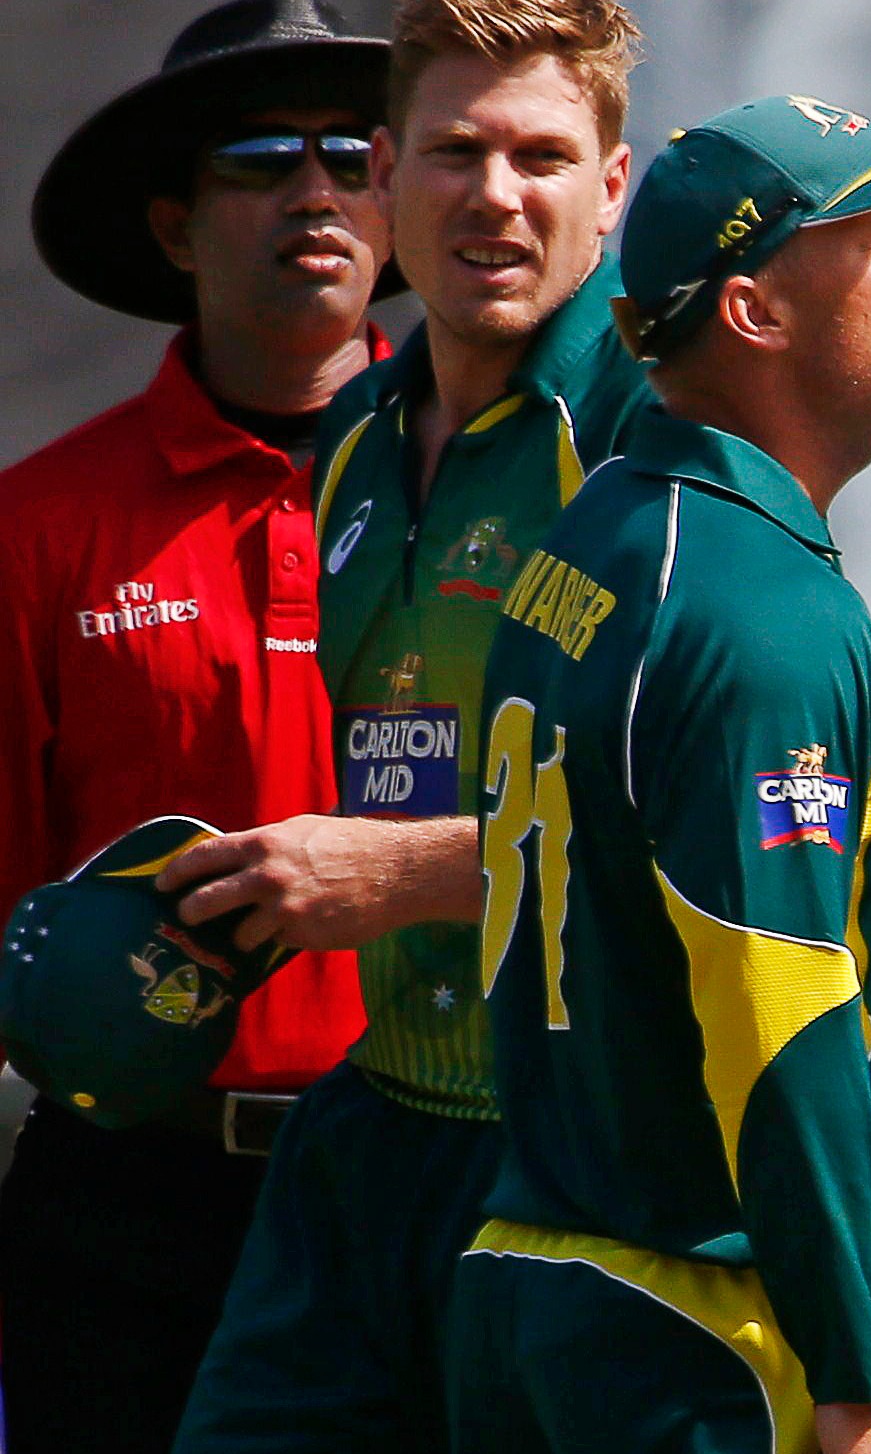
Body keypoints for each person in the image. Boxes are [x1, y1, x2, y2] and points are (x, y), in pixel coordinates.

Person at [449, 91, 871, 1454]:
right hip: (707, 1334)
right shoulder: (757, 607)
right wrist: (862, 1382)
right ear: (754, 311)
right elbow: (779, 1012)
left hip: (543, 1282)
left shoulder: (594, 534)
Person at [164, 0, 653, 1447]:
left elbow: (714, 823)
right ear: (385, 176)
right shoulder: (357, 441)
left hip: (584, 1155)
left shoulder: (660, 438)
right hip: (373, 1127)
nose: (494, 195)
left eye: (541, 157)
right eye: (454, 152)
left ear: (612, 189)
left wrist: (398, 872)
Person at [0, 2, 393, 1447]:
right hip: (127, 1206)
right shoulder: (40, 524)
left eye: (352, 156)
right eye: (260, 159)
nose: (314, 191)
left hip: (428, 1177)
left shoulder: (511, 496)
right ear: (174, 226)